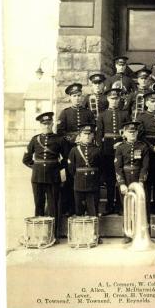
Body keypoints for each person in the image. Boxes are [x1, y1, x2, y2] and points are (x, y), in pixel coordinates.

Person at [22, 112, 65, 243]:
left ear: (52, 124)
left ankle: (54, 235)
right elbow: (26, 159)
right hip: (37, 177)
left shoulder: (59, 140)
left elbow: (67, 158)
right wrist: (36, 168)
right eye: (44, 124)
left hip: (53, 177)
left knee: (53, 206)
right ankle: (39, 234)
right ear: (40, 125)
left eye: (48, 123)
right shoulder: (35, 140)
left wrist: (58, 168)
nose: (46, 126)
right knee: (38, 205)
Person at [57, 83, 95, 215]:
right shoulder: (65, 113)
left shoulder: (88, 113)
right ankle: (70, 207)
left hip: (86, 148)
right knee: (70, 178)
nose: (77, 98)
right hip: (70, 150)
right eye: (74, 96)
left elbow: (93, 130)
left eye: (79, 96)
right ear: (70, 98)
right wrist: (74, 139)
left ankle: (86, 208)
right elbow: (60, 132)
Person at [96, 88, 130, 215]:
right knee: (110, 179)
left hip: (122, 149)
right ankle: (110, 206)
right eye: (111, 98)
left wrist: (123, 143)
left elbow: (128, 131)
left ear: (119, 99)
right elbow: (99, 135)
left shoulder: (125, 114)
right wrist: (100, 149)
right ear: (107, 99)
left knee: (121, 177)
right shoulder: (102, 115)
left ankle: (120, 206)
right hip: (107, 150)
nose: (114, 101)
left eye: (116, 98)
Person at [114, 121, 150, 243]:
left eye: (134, 132)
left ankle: (145, 234)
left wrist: (141, 181)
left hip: (139, 179)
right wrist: (122, 183)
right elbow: (117, 168)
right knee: (127, 207)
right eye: (130, 132)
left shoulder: (143, 147)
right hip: (125, 179)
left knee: (143, 207)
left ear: (137, 132)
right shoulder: (120, 148)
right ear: (124, 133)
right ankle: (127, 235)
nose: (132, 134)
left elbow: (145, 166)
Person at [67, 124, 102, 223]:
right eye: (84, 134)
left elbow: (101, 167)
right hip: (79, 184)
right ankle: (80, 236)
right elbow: (71, 168)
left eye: (89, 134)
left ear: (93, 136)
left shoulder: (98, 150)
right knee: (79, 211)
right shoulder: (74, 150)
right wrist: (78, 177)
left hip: (93, 184)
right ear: (80, 135)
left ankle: (94, 235)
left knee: (93, 211)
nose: (87, 136)